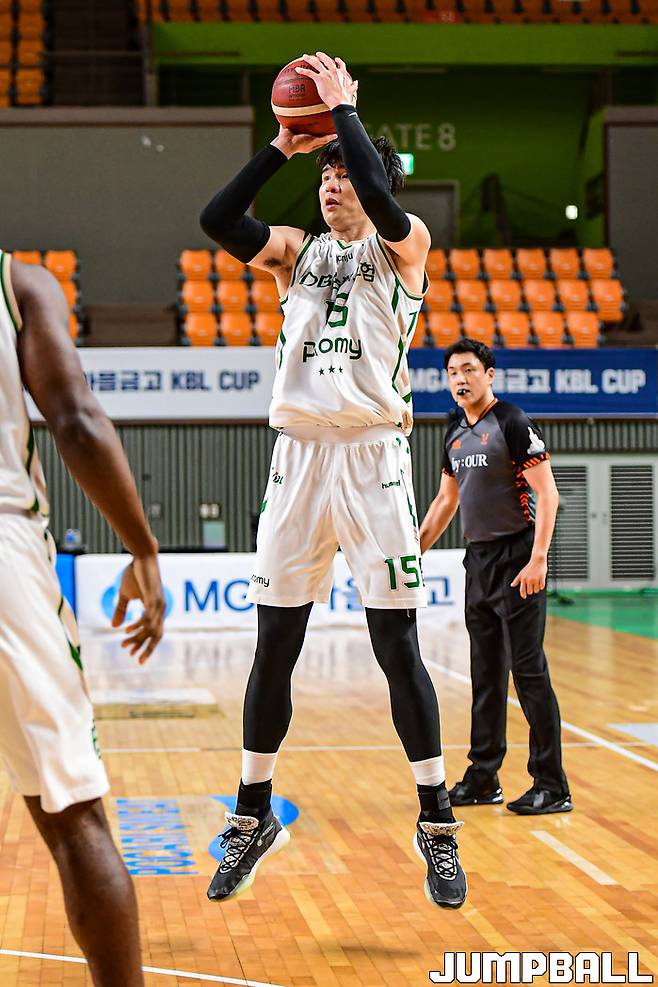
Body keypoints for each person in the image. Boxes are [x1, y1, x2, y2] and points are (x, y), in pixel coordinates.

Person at [200, 52, 466, 909]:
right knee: (274, 643)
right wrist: (283, 146)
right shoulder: (294, 253)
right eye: (325, 176)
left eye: (343, 173)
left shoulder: (405, 248)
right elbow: (217, 218)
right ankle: (252, 814)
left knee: (397, 648)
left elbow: (386, 203)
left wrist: (344, 112)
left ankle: (437, 824)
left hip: (373, 461)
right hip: (298, 462)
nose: (332, 185)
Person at [0, 250, 166, 987]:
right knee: (74, 820)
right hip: (5, 555)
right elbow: (73, 419)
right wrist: (143, 548)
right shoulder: (18, 282)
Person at [419, 338, 572, 815]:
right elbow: (446, 501)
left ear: (489, 375)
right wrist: (413, 552)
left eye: (469, 370)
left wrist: (538, 559)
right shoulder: (453, 431)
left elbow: (548, 494)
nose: (460, 379)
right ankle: (483, 777)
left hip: (518, 557)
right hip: (479, 561)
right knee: (485, 675)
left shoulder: (512, 421)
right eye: (452, 372)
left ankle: (552, 785)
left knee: (528, 673)